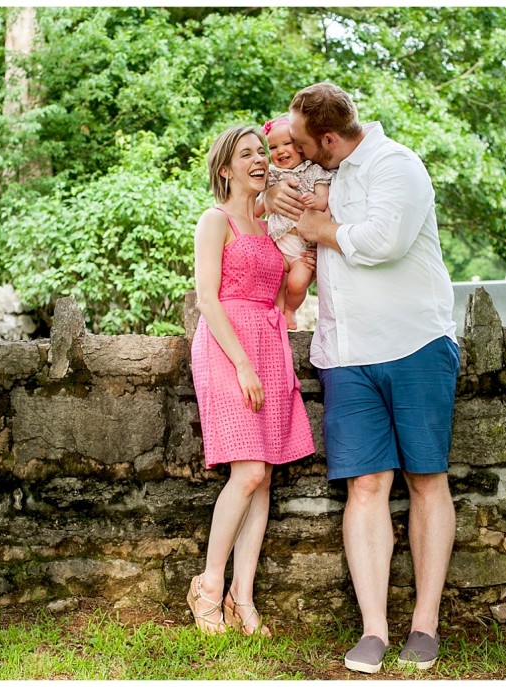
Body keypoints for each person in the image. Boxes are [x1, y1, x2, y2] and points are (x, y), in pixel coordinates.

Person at [266, 82, 459, 673]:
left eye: (301, 142)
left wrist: (325, 232)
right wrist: (276, 202)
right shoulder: (314, 174)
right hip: (344, 353)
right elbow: (259, 201)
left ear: (327, 137)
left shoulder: (395, 164)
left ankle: (423, 625)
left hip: (415, 344)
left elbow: (385, 241)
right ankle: (374, 630)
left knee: (426, 479)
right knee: (365, 487)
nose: (294, 151)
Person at [187, 125, 316, 637]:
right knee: (247, 474)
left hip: (270, 343)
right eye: (247, 154)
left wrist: (300, 278)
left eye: (261, 152)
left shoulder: (271, 226)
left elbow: (286, 301)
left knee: (263, 476)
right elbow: (206, 299)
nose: (260, 159)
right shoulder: (214, 221)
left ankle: (244, 596)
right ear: (226, 168)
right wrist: (241, 363)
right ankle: (208, 587)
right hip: (227, 347)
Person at [259, 114, 333, 330]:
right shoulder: (270, 175)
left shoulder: (313, 171)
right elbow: (255, 208)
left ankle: (290, 310)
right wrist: (266, 196)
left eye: (286, 144)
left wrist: (315, 200)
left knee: (297, 282)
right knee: (276, 280)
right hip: (277, 241)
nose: (279, 151)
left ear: (300, 145)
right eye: (272, 147)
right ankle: (277, 312)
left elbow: (323, 200)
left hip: (301, 249)